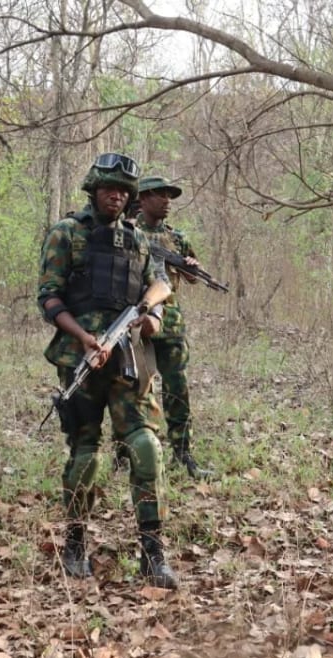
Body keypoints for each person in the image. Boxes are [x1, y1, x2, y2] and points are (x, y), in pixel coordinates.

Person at [37, 152, 178, 590]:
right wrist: (83, 336)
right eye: (108, 188)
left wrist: (152, 320)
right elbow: (48, 297)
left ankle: (153, 554)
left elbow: (159, 287)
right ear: (94, 190)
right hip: (80, 358)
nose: (115, 196)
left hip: (129, 359)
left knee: (146, 448)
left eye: (122, 190)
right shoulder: (66, 233)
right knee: (85, 454)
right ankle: (75, 544)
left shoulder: (138, 240)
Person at [131, 175, 213, 479]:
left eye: (169, 196)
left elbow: (193, 277)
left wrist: (190, 268)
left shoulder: (177, 238)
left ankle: (183, 453)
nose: (167, 201)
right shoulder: (127, 232)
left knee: (177, 387)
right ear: (143, 199)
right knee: (135, 388)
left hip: (170, 321)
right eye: (160, 195)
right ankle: (128, 452)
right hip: (135, 319)